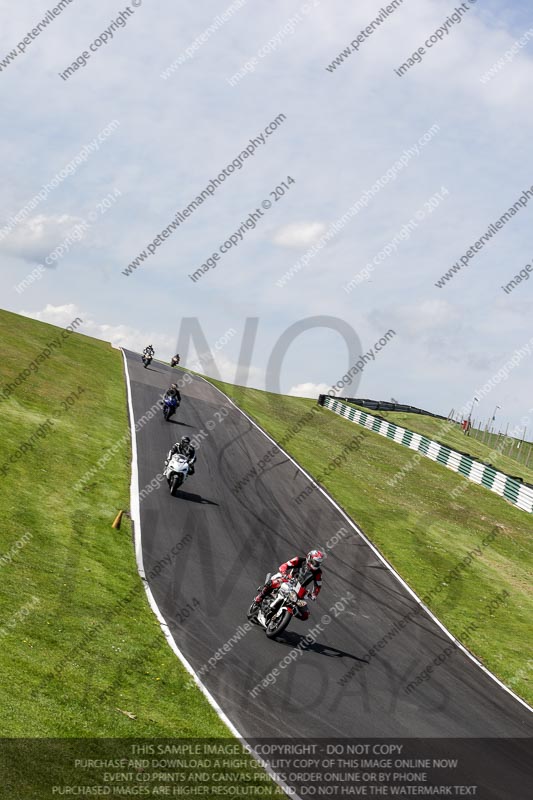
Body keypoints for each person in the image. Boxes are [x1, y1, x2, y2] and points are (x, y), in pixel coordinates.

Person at [254, 549, 324, 609]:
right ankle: (260, 596)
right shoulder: (299, 560)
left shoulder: (318, 573)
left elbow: (318, 585)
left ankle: (282, 615)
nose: (316, 565)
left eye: (318, 563)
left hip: (299, 590)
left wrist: (314, 595)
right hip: (289, 580)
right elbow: (286, 565)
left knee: (304, 613)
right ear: (309, 557)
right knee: (273, 582)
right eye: (315, 562)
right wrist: (284, 572)